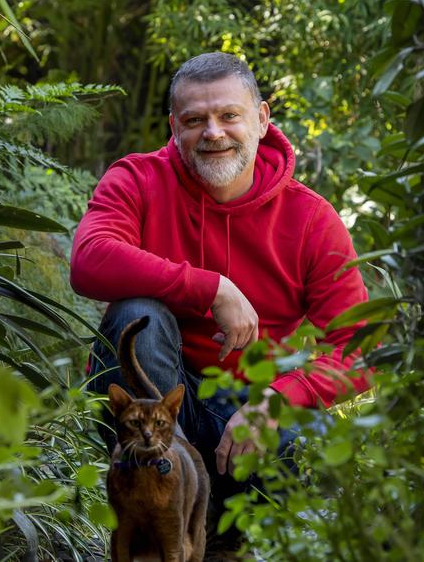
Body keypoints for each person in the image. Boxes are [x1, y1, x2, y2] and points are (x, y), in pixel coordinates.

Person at [70, 52, 370, 555]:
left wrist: (279, 400)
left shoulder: (311, 218)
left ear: (262, 119)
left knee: (286, 434)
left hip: (245, 417)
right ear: (174, 126)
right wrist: (212, 288)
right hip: (154, 423)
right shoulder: (138, 179)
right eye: (194, 120)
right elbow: (90, 260)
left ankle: (222, 538)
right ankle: (162, 521)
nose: (213, 132)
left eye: (229, 115)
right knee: (136, 315)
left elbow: (356, 351)